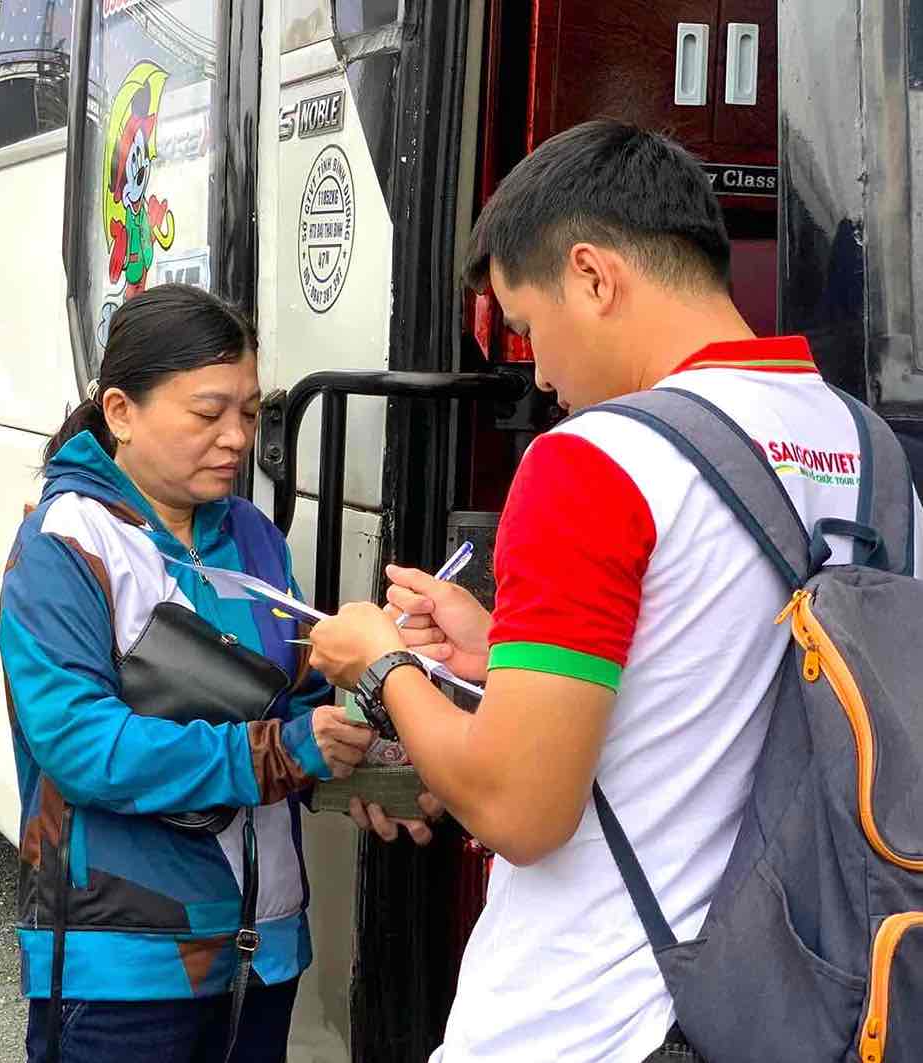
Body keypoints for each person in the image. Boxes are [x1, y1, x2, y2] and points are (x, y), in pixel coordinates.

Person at [305, 120, 923, 1063]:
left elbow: (519, 809)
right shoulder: (872, 452)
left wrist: (381, 662)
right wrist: (499, 650)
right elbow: (742, 672)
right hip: (805, 1006)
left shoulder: (593, 461)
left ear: (592, 276)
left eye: (525, 327)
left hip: (594, 1017)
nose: (539, 372)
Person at [0, 284, 436, 1063]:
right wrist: (278, 752)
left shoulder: (255, 536)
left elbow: (294, 704)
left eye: (251, 412)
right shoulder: (65, 542)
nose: (236, 437)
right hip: (124, 964)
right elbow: (82, 745)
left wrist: (364, 771)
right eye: (208, 413)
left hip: (262, 947)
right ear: (121, 411)